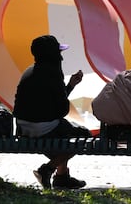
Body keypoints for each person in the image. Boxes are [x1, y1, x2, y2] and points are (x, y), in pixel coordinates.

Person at [13, 35, 91, 189]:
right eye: (59, 53)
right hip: (41, 128)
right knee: (83, 137)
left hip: (22, 126)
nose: (61, 57)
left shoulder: (29, 71)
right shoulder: (53, 73)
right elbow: (61, 110)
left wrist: (70, 86)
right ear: (54, 55)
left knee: (65, 129)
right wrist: (66, 88)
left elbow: (49, 104)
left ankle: (62, 177)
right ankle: (47, 170)